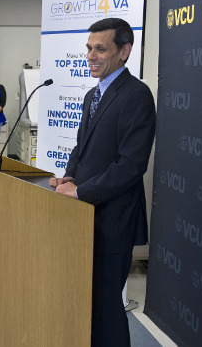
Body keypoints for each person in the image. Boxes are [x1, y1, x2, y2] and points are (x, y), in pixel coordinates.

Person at [48, 18, 156, 347]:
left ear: (124, 51)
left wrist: (80, 191)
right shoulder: (93, 95)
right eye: (89, 48)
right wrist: (69, 176)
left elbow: (130, 165)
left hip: (113, 221)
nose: (91, 56)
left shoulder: (136, 95)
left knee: (107, 309)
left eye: (100, 49)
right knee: (88, 305)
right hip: (85, 218)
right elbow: (82, 147)